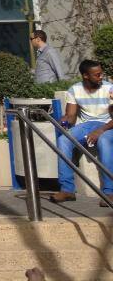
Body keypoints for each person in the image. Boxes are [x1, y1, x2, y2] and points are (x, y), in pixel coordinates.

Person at [49, 59, 113, 206]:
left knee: (104, 140)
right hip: (87, 125)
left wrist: (100, 131)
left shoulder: (110, 89)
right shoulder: (75, 90)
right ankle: (67, 190)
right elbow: (71, 116)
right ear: (85, 76)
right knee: (64, 140)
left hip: (108, 125)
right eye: (97, 75)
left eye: (101, 74)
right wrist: (65, 121)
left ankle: (109, 192)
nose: (101, 77)